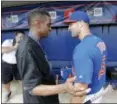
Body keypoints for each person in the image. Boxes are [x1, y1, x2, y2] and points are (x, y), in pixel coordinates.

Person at [16, 9, 89, 104]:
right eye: (48, 25)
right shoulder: (27, 48)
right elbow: (32, 88)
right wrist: (64, 87)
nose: (50, 28)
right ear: (37, 24)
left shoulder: (35, 43)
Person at [64, 11, 107, 103]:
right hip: (98, 92)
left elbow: (81, 88)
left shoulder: (82, 49)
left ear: (80, 24)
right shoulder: (99, 41)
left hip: (87, 97)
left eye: (71, 24)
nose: (69, 28)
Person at [2, 31, 24, 102]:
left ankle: (25, 93)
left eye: (22, 37)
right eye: (19, 37)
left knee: (23, 79)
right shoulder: (8, 41)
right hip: (6, 64)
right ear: (15, 36)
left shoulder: (23, 44)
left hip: (18, 65)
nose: (20, 38)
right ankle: (8, 93)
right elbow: (2, 50)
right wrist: (15, 47)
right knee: (5, 81)